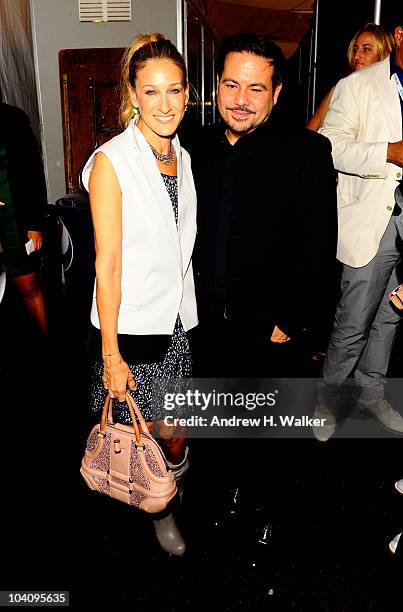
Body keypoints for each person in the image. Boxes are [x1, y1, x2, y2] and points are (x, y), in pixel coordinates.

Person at [82, 33, 198, 556]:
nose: (165, 104)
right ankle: (160, 509)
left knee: (176, 430)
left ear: (188, 93)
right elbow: (106, 265)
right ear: (132, 93)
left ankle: (169, 480)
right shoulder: (112, 161)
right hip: (128, 326)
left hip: (175, 322)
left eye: (174, 90)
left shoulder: (184, 158)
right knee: (143, 431)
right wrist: (111, 354)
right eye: (152, 92)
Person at [191, 33, 338, 379]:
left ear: (276, 92)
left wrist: (290, 321)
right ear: (217, 85)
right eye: (231, 85)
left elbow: (319, 247)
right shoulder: (193, 148)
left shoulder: (307, 153)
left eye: (256, 89)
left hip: (269, 338)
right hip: (203, 330)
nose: (241, 100)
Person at [315, 23, 403, 439]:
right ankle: (327, 402)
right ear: (400, 36)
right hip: (374, 218)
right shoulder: (358, 84)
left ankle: (371, 390)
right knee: (353, 322)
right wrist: (388, 153)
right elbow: (326, 144)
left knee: (391, 317)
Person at [0, 103, 48, 335]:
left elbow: (32, 172)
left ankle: (45, 347)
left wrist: (34, 224)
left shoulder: (13, 118)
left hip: (15, 218)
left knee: (27, 286)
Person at [307, 23, 394, 132]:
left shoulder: (392, 92)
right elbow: (308, 134)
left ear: (383, 52)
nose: (357, 56)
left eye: (366, 49)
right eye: (355, 49)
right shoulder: (342, 87)